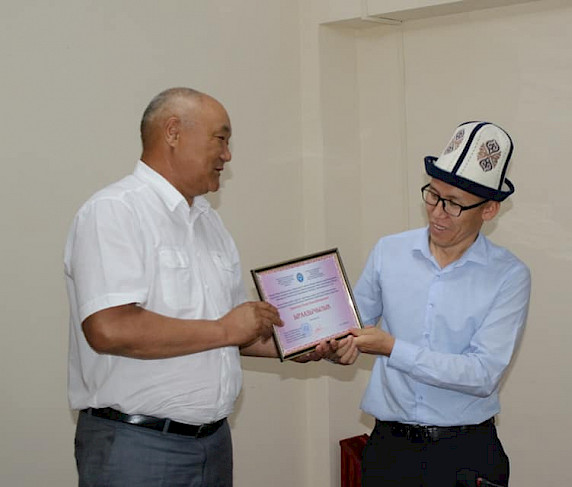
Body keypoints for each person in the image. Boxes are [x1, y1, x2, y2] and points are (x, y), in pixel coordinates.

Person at [64, 87, 348, 486]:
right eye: (221, 139)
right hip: (136, 447)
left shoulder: (208, 222)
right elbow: (109, 328)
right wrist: (226, 329)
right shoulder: (115, 211)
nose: (227, 155)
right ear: (173, 132)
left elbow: (232, 331)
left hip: (212, 444)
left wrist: (300, 342)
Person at [349, 122, 531, 487]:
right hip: (389, 450)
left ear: (489, 210)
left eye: (454, 204)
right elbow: (352, 324)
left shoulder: (508, 275)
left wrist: (393, 348)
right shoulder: (390, 251)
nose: (437, 212)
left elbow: (482, 375)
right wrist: (330, 344)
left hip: (465, 453)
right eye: (432, 195)